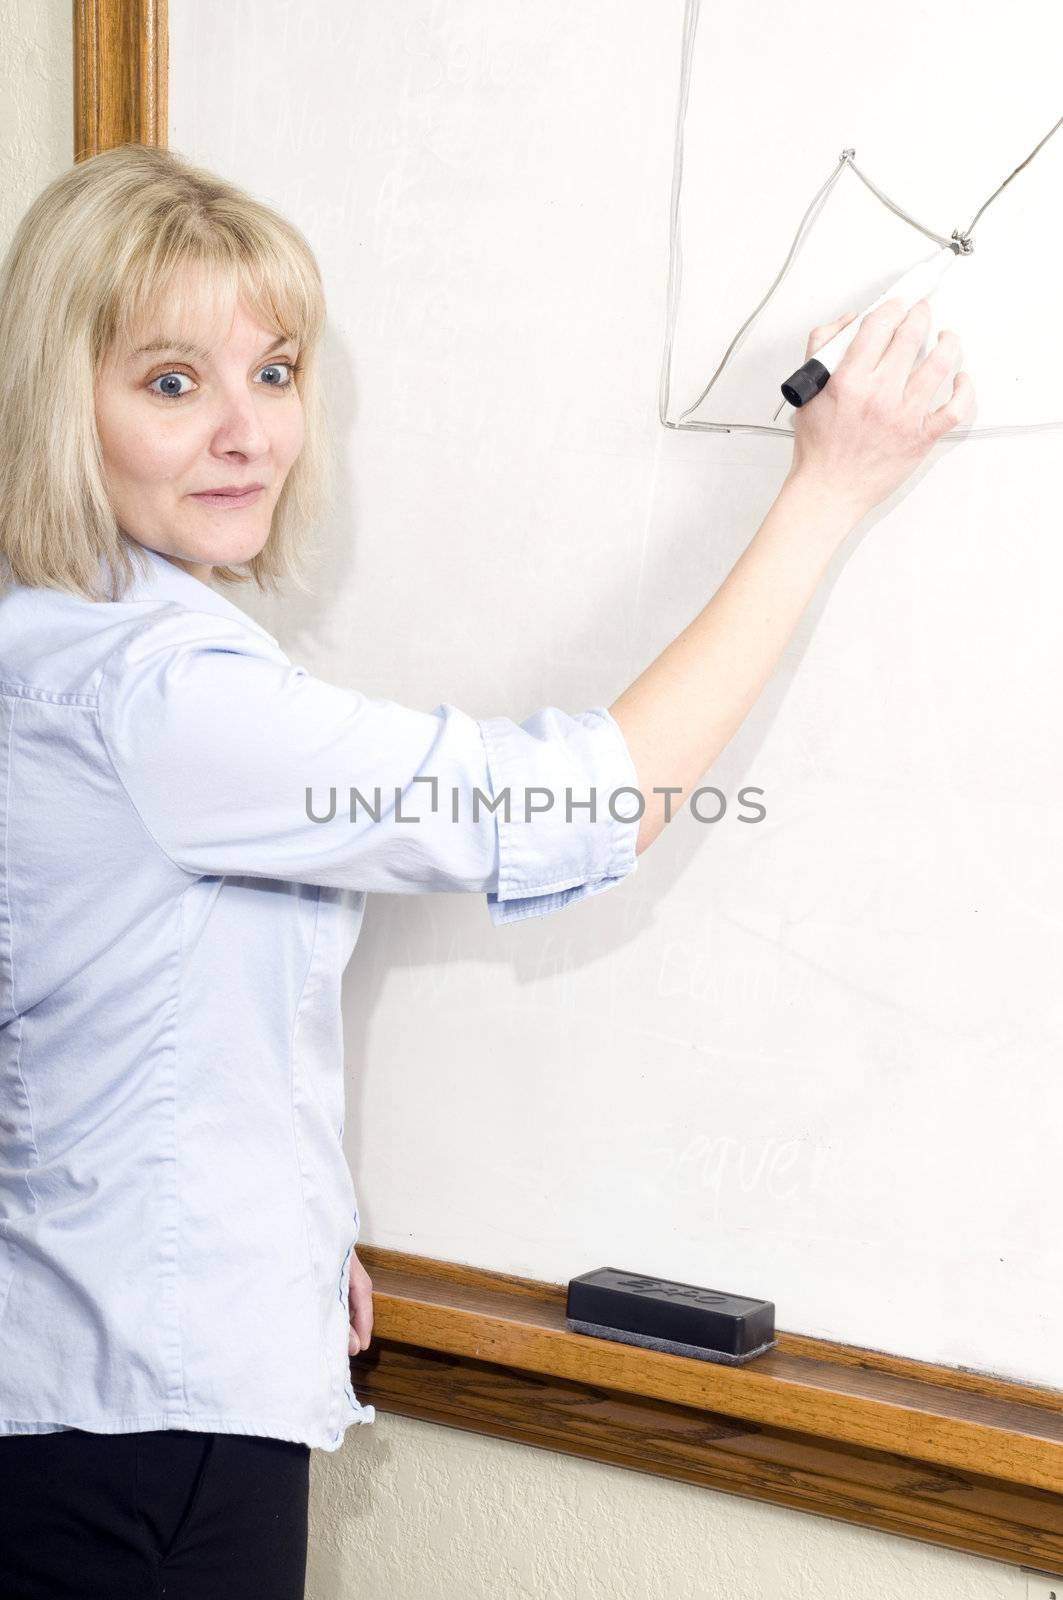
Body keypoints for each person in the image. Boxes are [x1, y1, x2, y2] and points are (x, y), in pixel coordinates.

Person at [0, 142, 973, 1598]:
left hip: (92, 1393)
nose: (249, 435)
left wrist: (267, 1219)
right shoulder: (159, 698)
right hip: (142, 1442)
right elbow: (583, 801)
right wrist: (831, 491)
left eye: (274, 372)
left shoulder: (51, 640)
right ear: (52, 405)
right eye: (169, 382)